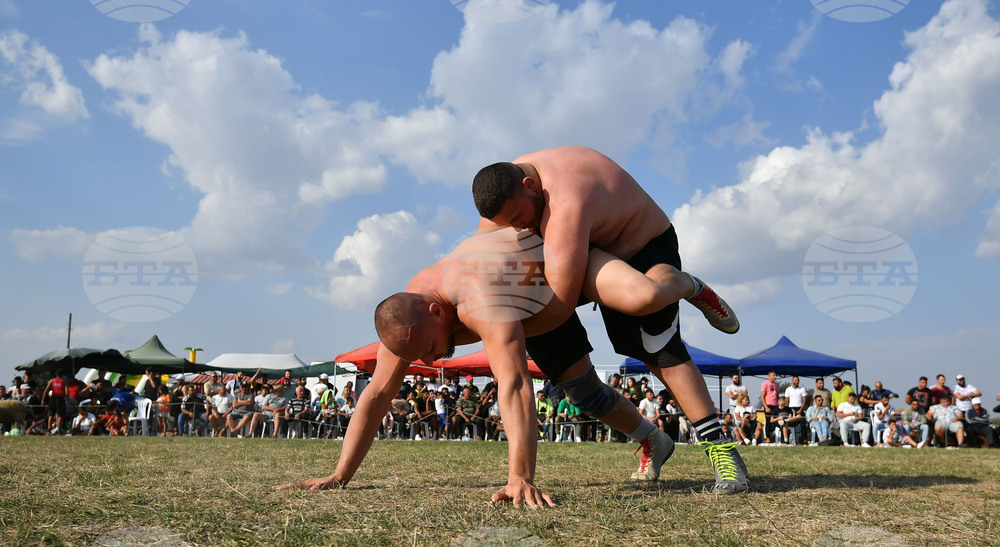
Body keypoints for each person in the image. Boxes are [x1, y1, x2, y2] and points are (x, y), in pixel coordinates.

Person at [276, 228, 686, 505]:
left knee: (588, 386)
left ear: (438, 312)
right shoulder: (407, 322)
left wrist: (519, 476)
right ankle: (654, 438)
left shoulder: (477, 296)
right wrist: (340, 474)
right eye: (420, 357)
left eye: (429, 349)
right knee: (583, 393)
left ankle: (688, 285)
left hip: (550, 285)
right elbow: (378, 394)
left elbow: (513, 383)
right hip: (518, 303)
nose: (430, 361)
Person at [471, 145, 747, 493]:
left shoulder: (565, 200)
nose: (519, 227)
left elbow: (560, 305)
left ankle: (721, 448)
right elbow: (480, 267)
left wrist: (506, 330)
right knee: (578, 386)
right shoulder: (506, 194)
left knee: (657, 342)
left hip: (641, 252)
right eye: (509, 224)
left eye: (518, 218)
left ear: (529, 185)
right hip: (582, 257)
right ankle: (652, 440)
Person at [40, 368, 69, 434]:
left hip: (53, 398)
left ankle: (49, 429)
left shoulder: (51, 381)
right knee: (60, 415)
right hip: (60, 398)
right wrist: (67, 397)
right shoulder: (64, 381)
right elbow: (67, 392)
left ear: (56, 374)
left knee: (51, 414)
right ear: (63, 375)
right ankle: (59, 428)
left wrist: (43, 400)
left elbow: (46, 390)